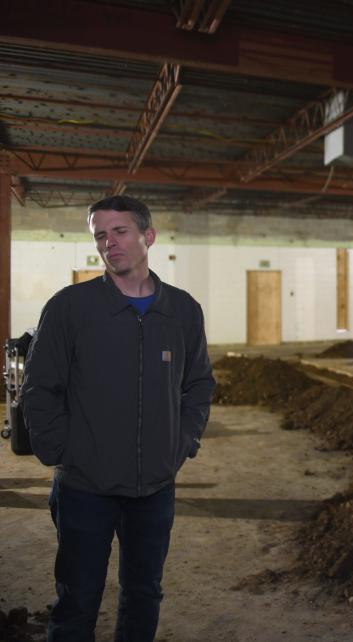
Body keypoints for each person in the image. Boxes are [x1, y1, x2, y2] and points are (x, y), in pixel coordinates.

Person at [22, 195, 216, 641]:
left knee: (144, 593)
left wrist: (182, 441)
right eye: (100, 236)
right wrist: (61, 452)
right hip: (84, 488)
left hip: (154, 490)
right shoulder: (71, 307)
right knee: (77, 599)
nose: (110, 243)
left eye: (120, 231)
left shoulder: (182, 311)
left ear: (148, 236)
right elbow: (40, 388)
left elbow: (199, 384)